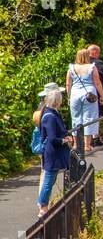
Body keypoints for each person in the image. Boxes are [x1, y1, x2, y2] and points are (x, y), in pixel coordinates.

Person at [34, 85, 75, 218]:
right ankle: (43, 205)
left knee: (50, 179)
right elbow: (52, 138)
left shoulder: (48, 112)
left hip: (53, 152)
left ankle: (43, 204)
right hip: (52, 153)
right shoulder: (50, 116)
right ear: (58, 101)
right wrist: (64, 140)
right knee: (49, 179)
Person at [65, 48, 103, 143]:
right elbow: (97, 83)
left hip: (75, 93)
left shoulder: (71, 68)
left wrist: (69, 96)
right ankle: (87, 144)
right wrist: (102, 96)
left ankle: (76, 144)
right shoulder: (92, 67)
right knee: (89, 117)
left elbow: (68, 84)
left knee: (75, 117)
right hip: (89, 93)